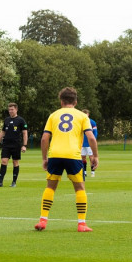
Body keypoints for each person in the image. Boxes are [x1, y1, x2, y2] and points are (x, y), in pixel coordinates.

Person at [35, 87, 98, 232]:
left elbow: (44, 138)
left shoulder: (53, 115)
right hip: (73, 156)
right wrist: (95, 156)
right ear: (75, 101)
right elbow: (91, 138)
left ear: (61, 101)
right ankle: (81, 224)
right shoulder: (83, 117)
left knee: (50, 187)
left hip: (55, 155)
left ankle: (43, 221)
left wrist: (44, 158)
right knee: (80, 188)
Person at [0, 103, 28, 187]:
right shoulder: (6, 120)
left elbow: (25, 133)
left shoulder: (21, 120)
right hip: (6, 145)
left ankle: (14, 182)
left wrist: (24, 145)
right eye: (9, 110)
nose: (10, 111)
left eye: (12, 109)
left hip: (16, 145)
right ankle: (0, 182)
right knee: (4, 161)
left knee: (15, 162)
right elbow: (3, 132)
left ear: (16, 109)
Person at [80, 109, 97, 179]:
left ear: (88, 115)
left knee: (91, 157)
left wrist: (94, 140)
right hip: (81, 143)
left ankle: (92, 172)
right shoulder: (79, 122)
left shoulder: (92, 122)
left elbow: (95, 132)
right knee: (83, 157)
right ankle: (84, 172)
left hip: (89, 143)